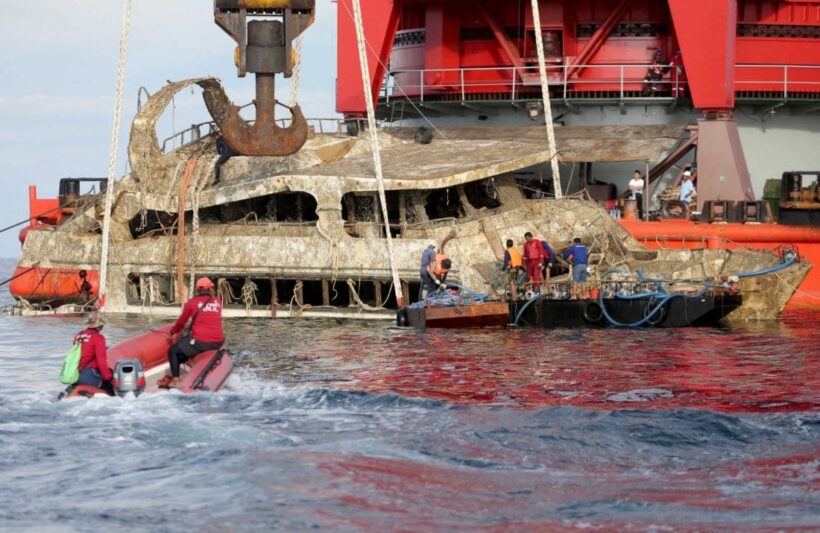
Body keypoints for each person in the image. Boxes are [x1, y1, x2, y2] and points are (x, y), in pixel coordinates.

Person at [162, 277, 224, 389]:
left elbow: (181, 322)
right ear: (210, 289)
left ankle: (176, 380)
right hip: (218, 341)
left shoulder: (192, 303)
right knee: (186, 347)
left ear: (197, 290)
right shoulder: (218, 302)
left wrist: (172, 332)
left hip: (201, 341)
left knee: (173, 351)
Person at [74, 312, 113, 392]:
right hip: (89, 375)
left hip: (75, 375)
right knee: (112, 386)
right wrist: (108, 378)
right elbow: (101, 361)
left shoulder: (78, 335)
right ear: (99, 325)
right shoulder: (99, 338)